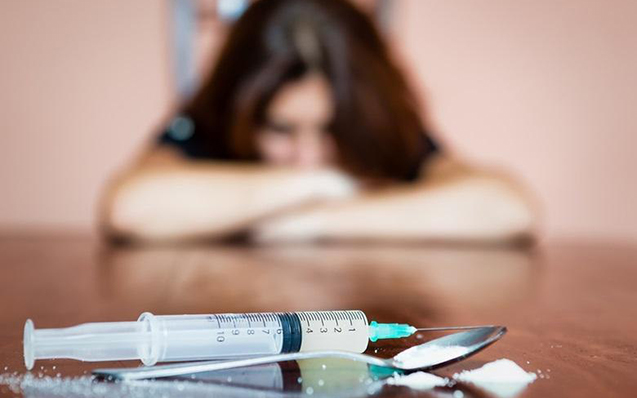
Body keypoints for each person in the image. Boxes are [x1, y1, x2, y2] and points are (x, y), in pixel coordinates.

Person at [100, 0, 536, 244]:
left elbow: (507, 209)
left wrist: (306, 220)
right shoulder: (211, 123)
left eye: (330, 129)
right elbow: (129, 207)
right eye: (280, 129)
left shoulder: (380, 131)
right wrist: (317, 185)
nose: (307, 157)